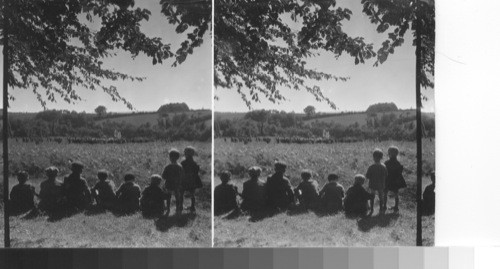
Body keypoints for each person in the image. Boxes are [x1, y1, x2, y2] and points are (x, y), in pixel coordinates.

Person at [162, 149, 185, 215]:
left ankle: (168, 209)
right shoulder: (180, 167)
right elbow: (182, 176)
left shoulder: (167, 166)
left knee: (168, 197)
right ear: (178, 157)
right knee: (177, 197)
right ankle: (177, 209)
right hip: (177, 184)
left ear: (169, 157)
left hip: (169, 184)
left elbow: (163, 176)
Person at [384, 146, 407, 212]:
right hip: (396, 181)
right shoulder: (398, 163)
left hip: (388, 180)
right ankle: (396, 207)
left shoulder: (386, 163)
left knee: (385, 192)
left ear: (389, 154)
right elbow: (400, 172)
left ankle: (384, 206)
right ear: (397, 154)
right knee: (396, 193)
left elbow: (385, 171)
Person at [181, 146, 203, 213]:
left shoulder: (183, 163)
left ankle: (180, 206)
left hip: (184, 180)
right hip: (193, 180)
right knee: (192, 194)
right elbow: (196, 172)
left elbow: (181, 171)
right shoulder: (195, 163)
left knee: (181, 193)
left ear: (185, 154)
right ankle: (193, 207)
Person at [365, 149, 388, 214]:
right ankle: (381, 208)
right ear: (381, 157)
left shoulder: (371, 167)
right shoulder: (384, 166)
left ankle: (372, 209)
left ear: (373, 157)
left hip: (373, 184)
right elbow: (386, 175)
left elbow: (368, 176)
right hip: (381, 184)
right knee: (381, 196)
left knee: (372, 196)